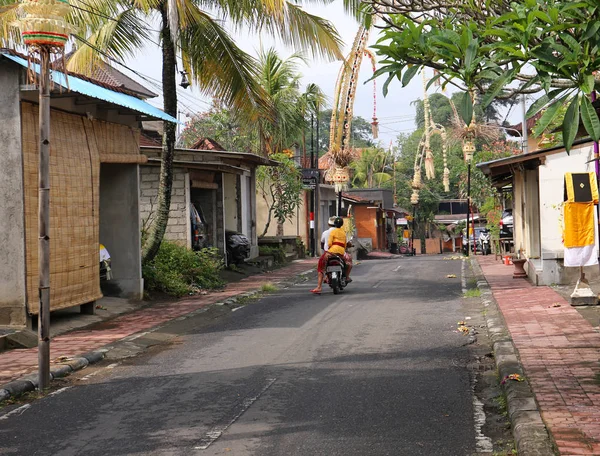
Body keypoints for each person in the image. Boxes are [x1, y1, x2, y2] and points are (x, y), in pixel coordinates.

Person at [311, 217, 351, 294]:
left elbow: (329, 243)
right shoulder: (343, 232)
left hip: (331, 252)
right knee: (347, 262)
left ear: (329, 224)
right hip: (341, 252)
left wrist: (329, 248)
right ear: (342, 224)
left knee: (321, 267)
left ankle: (319, 287)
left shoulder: (329, 232)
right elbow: (345, 244)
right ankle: (346, 277)